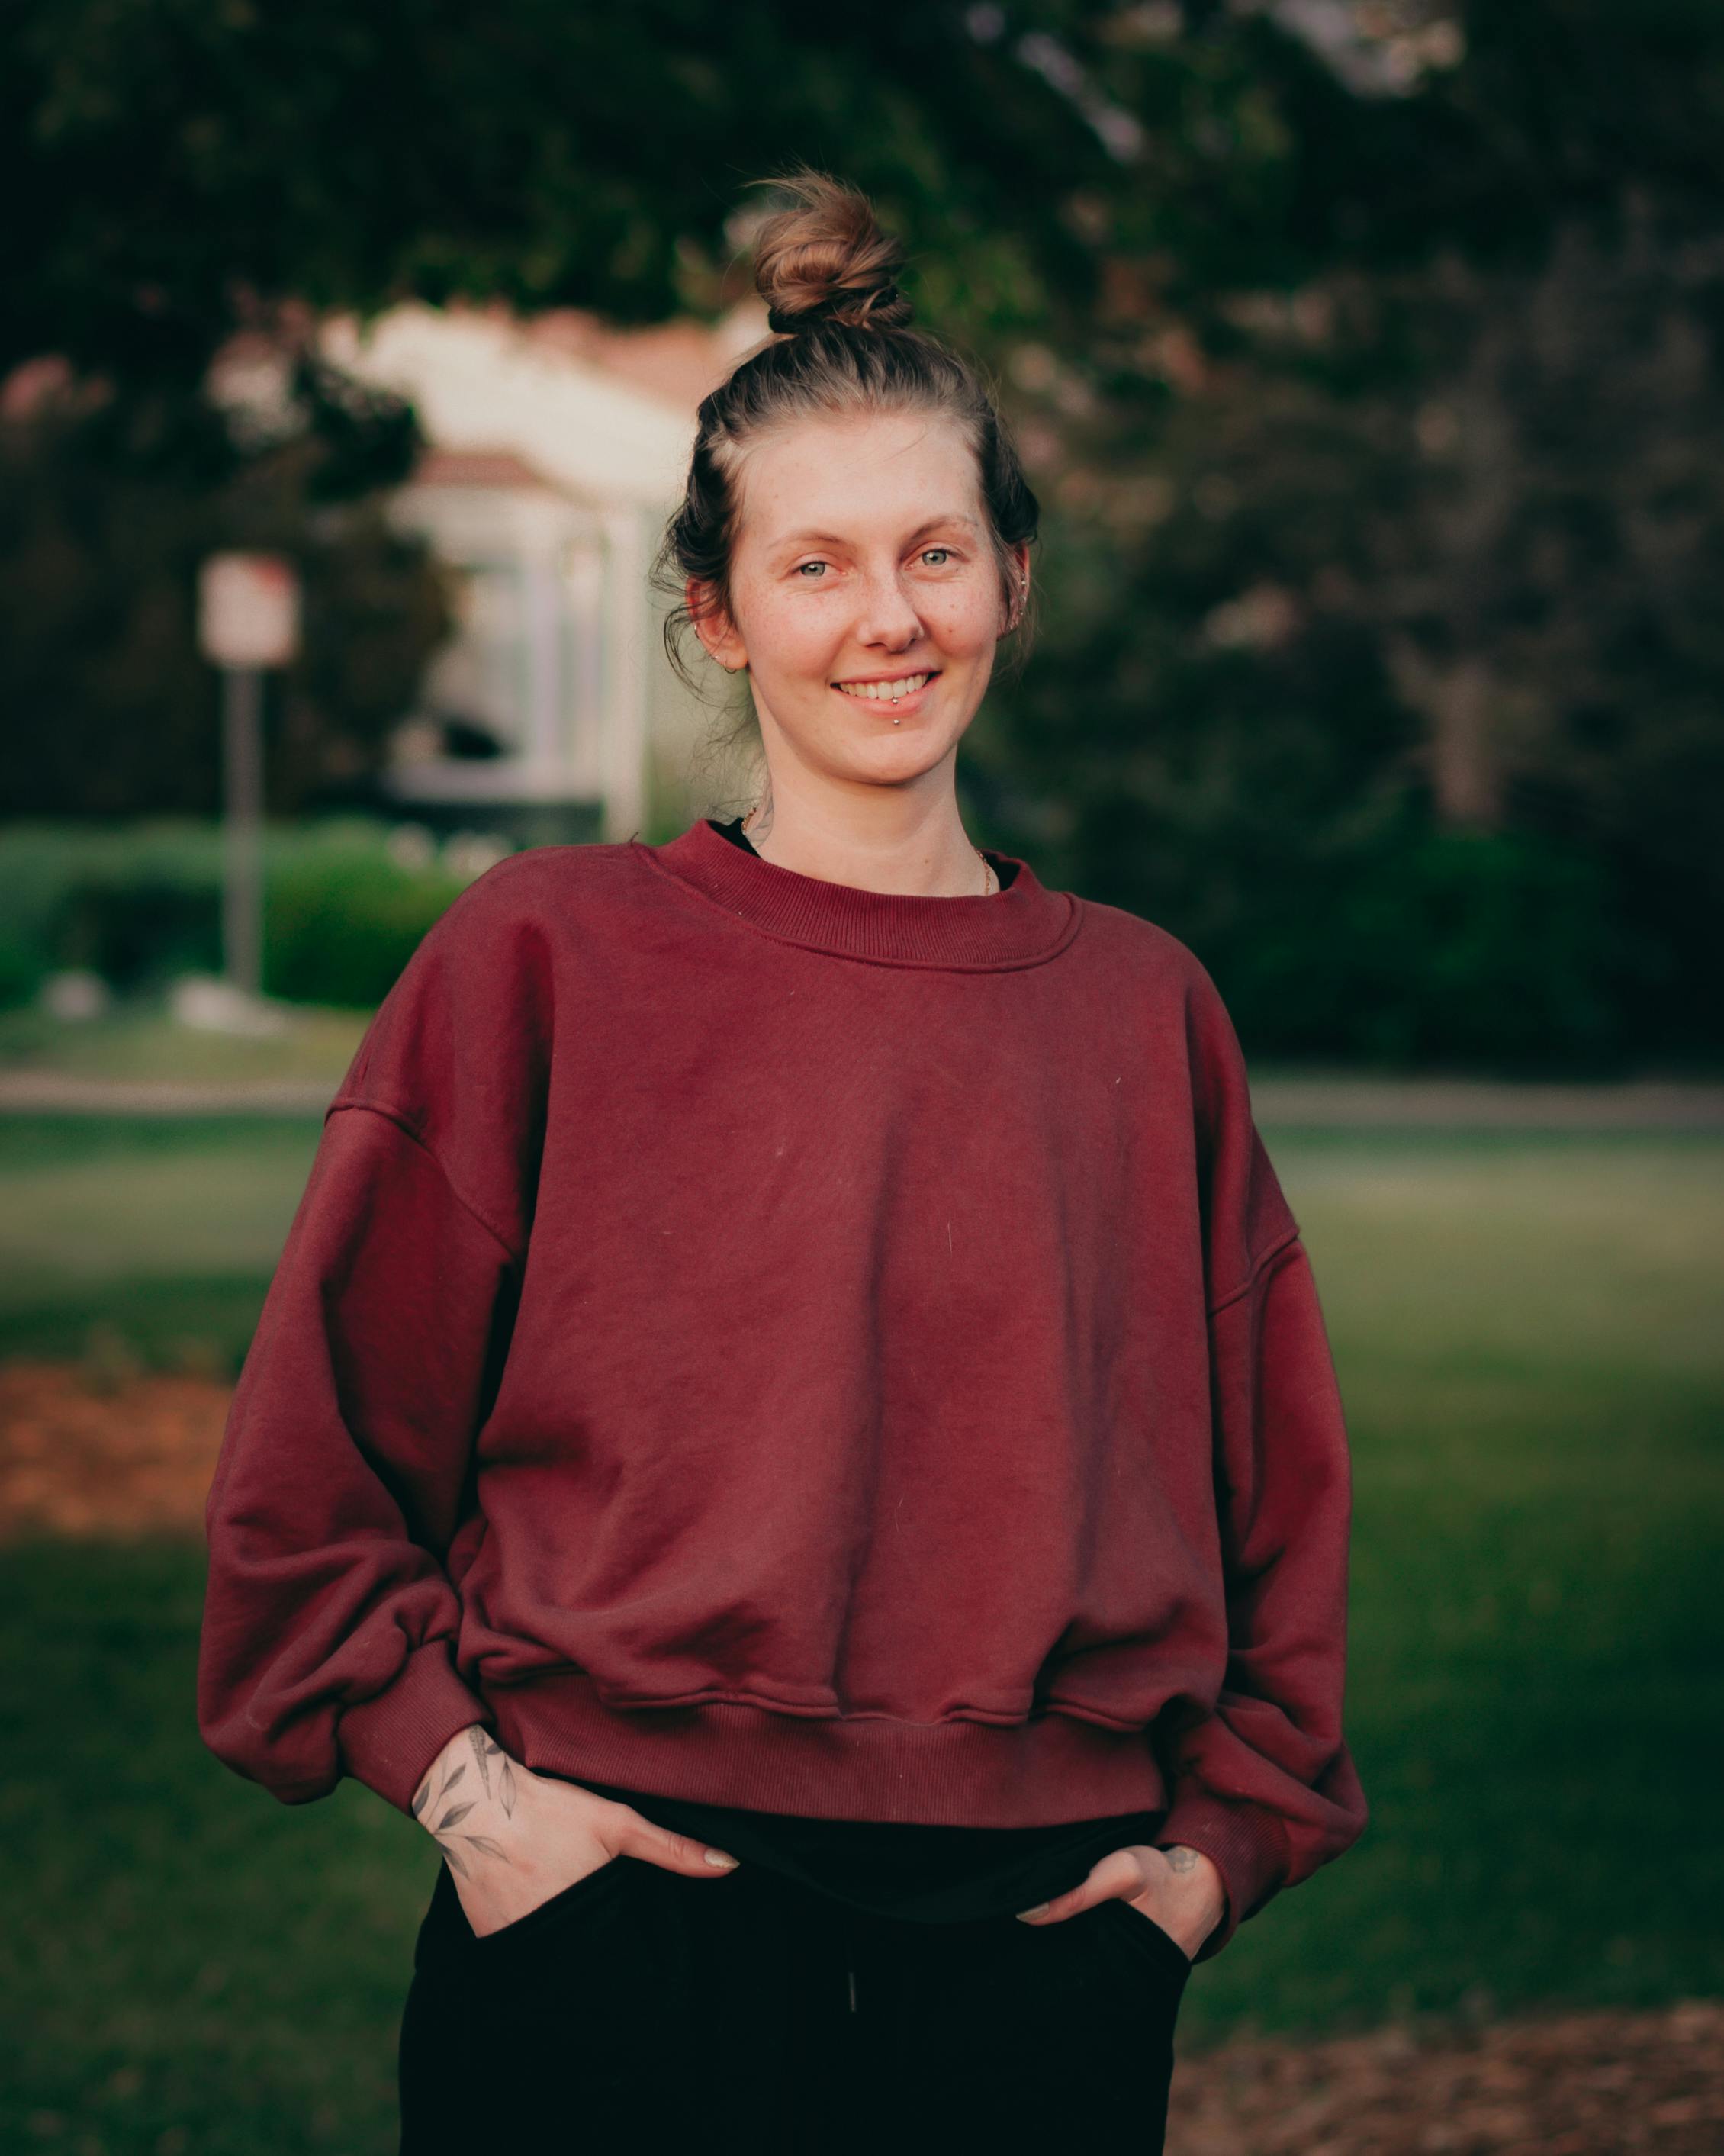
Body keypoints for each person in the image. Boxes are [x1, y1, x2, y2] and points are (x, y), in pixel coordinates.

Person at [197, 168, 1367, 2156]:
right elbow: (311, 1477)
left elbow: (1281, 1509)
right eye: (815, 567)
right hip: (608, 1907)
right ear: (719, 617)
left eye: (934, 551)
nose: (888, 618)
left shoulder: (1140, 1008)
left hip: (1042, 1934)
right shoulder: (541, 959)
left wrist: (1205, 1858)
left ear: (1014, 576)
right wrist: (478, 1804)